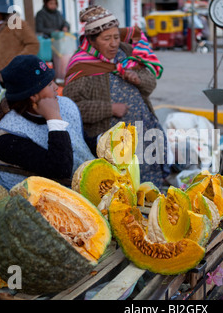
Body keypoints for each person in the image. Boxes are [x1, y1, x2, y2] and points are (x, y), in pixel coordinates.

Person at [62, 5, 168, 187]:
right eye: (106, 39)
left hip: (145, 133)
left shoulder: (126, 53)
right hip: (113, 147)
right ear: (92, 40)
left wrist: (138, 79)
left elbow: (151, 83)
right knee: (123, 188)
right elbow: (72, 109)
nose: (113, 44)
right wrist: (109, 108)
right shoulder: (81, 66)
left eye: (116, 37)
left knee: (151, 186)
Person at [0, 55, 96, 190]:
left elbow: (82, 143)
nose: (56, 87)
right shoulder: (8, 138)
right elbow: (60, 170)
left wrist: (108, 140)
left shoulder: (63, 105)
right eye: (49, 84)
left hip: (78, 187)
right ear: (34, 96)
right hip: (32, 203)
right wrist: (54, 119)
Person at [0, 0, 39, 76]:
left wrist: (18, 61)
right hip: (0, 73)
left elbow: (33, 44)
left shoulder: (16, 23)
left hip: (19, 72)